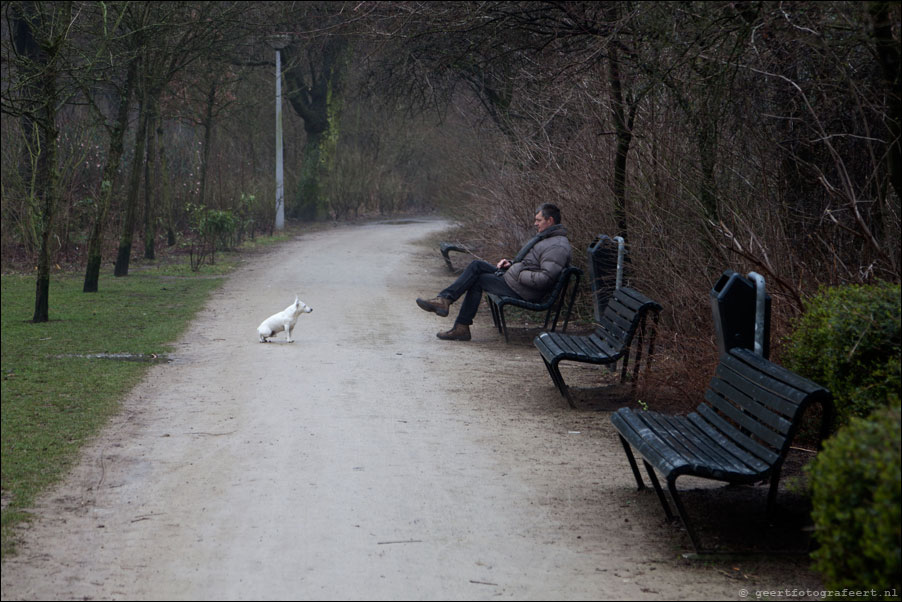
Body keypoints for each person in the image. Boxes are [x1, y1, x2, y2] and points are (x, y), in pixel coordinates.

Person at [416, 203, 572, 341]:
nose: (535, 224)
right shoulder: (547, 239)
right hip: (516, 279)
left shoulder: (556, 246)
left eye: (538, 220)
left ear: (550, 221)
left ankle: (458, 323)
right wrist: (510, 264)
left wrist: (517, 272)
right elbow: (532, 264)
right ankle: (446, 303)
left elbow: (545, 278)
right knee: (477, 265)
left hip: (525, 290)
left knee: (478, 279)